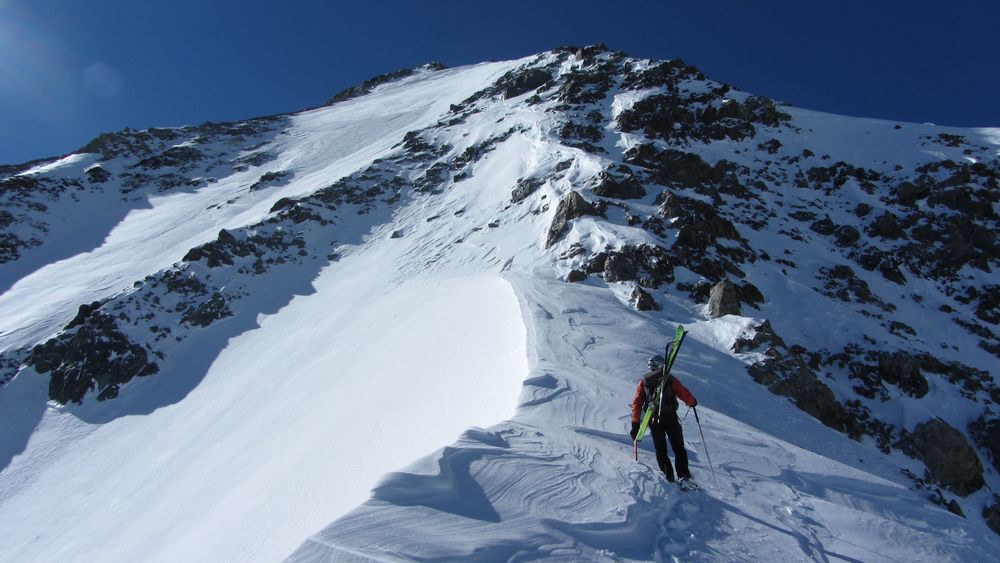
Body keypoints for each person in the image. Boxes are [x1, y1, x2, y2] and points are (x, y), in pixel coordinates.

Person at [630, 356, 698, 482]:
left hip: (654, 419)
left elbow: (637, 403)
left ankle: (668, 476)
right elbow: (682, 392)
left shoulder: (644, 382)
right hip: (670, 416)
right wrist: (691, 401)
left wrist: (635, 423)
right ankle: (684, 476)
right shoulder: (670, 379)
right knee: (678, 447)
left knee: (660, 449)